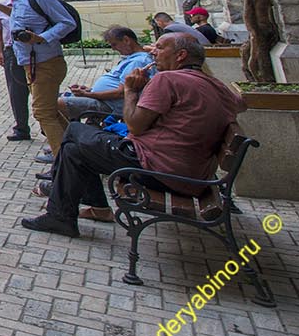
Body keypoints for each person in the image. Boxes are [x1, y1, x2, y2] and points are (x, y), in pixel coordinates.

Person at [22, 33, 244, 238]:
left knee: (75, 132)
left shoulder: (167, 80)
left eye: (159, 47)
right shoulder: (215, 84)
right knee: (74, 149)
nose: (152, 51)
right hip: (189, 172)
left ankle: (62, 204)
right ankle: (73, 210)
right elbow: (240, 104)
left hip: (156, 167)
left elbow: (135, 126)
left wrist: (131, 90)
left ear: (181, 55)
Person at [0, 0, 76, 159]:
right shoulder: (18, 0)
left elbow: (68, 22)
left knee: (43, 113)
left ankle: (64, 164)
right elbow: (18, 19)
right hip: (31, 64)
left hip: (45, 63)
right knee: (49, 110)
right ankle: (75, 149)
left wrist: (42, 38)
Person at [57, 26, 154, 123]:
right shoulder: (132, 58)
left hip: (109, 105)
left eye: (114, 44)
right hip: (103, 100)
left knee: (54, 104)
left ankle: (62, 136)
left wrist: (89, 94)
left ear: (126, 40)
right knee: (53, 99)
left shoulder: (138, 61)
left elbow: (121, 92)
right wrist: (89, 90)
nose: (113, 49)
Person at [0, 0, 32, 141]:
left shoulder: (31, 3)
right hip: (11, 51)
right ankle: (21, 128)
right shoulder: (2, 6)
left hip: (32, 49)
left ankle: (47, 127)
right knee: (16, 91)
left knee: (39, 90)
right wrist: (0, 52)